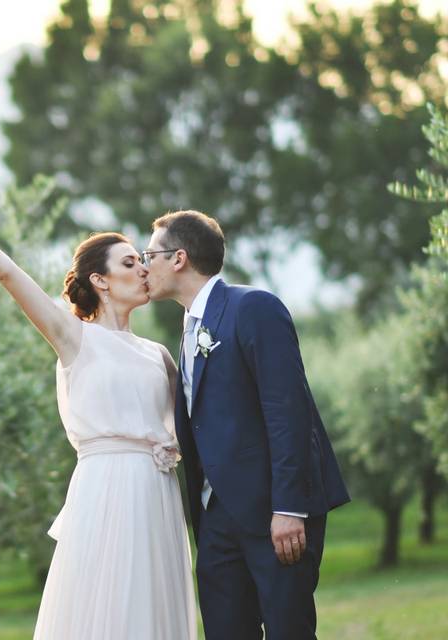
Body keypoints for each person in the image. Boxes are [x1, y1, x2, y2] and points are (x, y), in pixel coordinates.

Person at [0, 178, 197, 639]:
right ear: (99, 280)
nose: (143, 270)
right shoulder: (73, 337)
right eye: (129, 262)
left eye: (142, 261)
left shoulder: (159, 354)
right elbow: (6, 271)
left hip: (157, 496)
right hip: (106, 493)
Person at [143, 210, 350, 640]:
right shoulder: (186, 331)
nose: (145, 266)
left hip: (275, 514)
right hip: (215, 521)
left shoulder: (253, 307)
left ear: (178, 258)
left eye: (150, 255)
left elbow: (288, 411)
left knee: (288, 632)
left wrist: (288, 508)